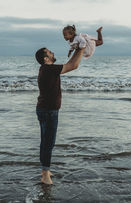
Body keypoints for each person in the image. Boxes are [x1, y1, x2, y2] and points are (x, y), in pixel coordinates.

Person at [34, 46, 85, 185]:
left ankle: (45, 170)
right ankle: (45, 175)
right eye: (50, 52)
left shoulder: (46, 69)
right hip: (48, 111)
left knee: (45, 142)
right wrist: (82, 47)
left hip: (45, 110)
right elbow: (73, 65)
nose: (53, 52)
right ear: (46, 58)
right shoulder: (49, 69)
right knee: (48, 142)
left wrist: (78, 49)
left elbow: (70, 64)